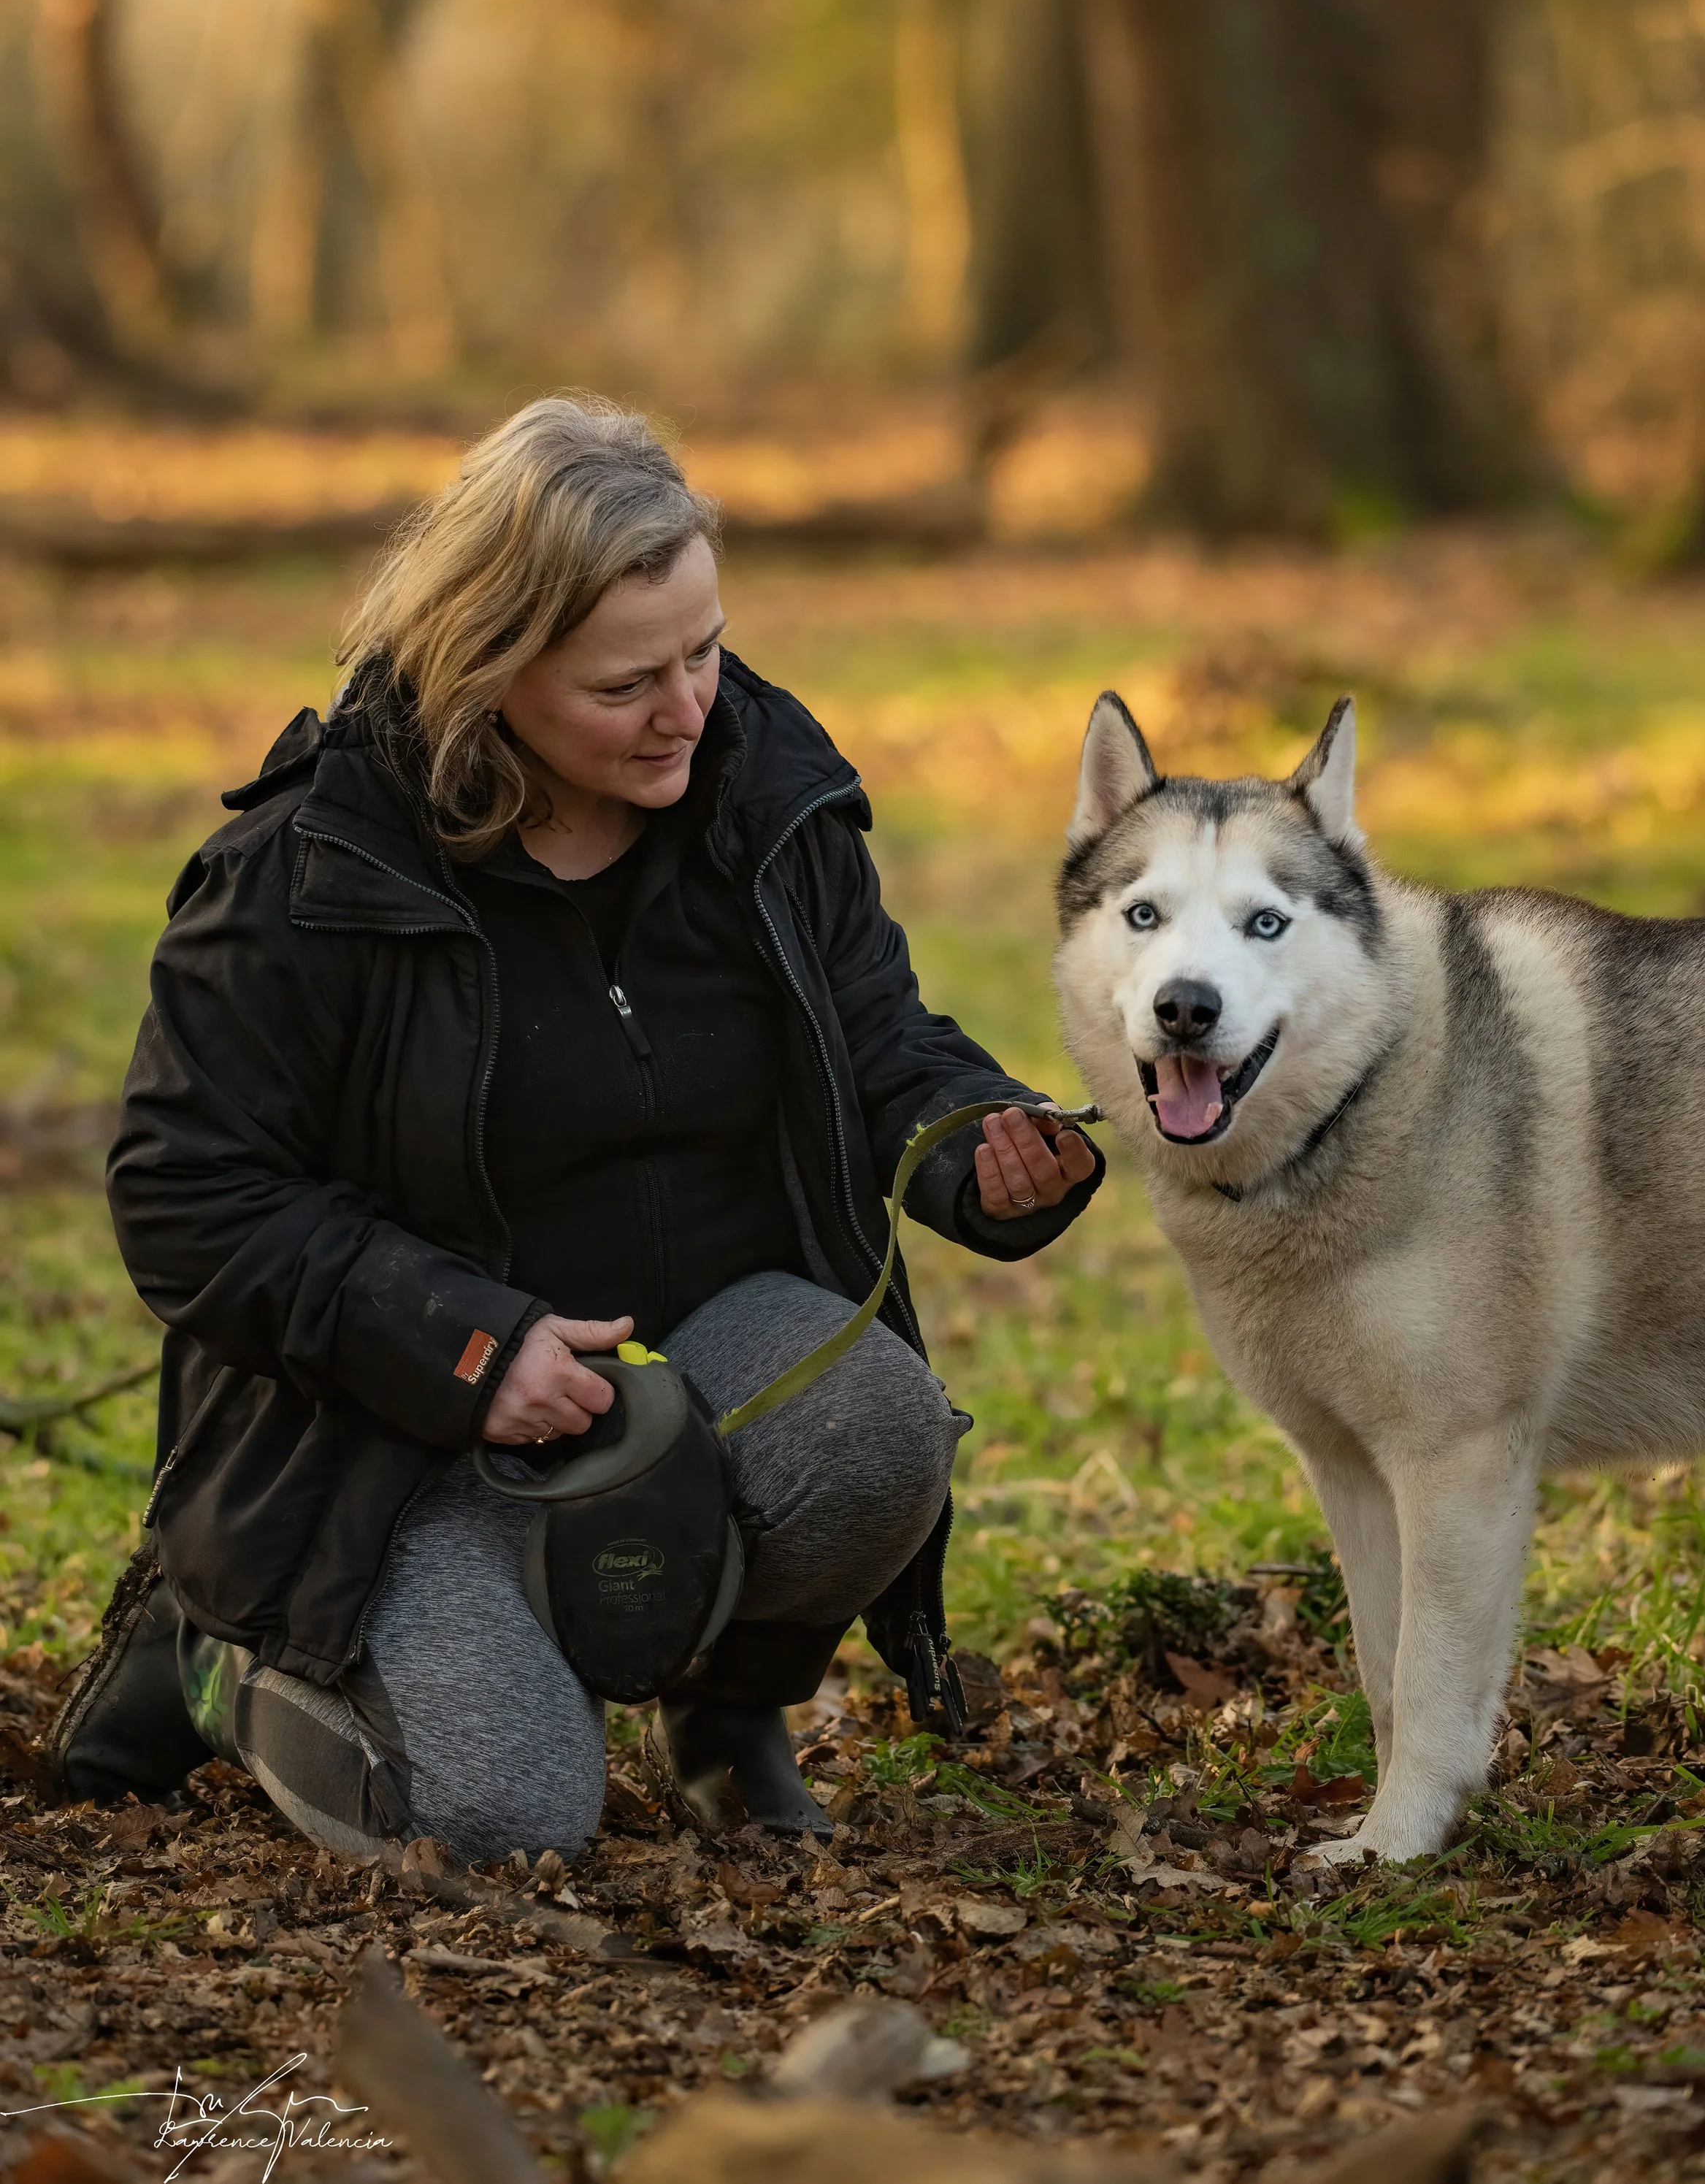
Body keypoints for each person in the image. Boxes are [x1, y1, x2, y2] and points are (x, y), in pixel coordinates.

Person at [53, 397, 1101, 1864]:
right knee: (500, 1819)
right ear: (491, 668)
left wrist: (974, 1138)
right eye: (626, 684)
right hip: (396, 1450)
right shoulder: (307, 868)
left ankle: (725, 1711)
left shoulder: (762, 788)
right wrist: (465, 1344)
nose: (688, 708)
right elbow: (182, 1193)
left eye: (704, 650)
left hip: (681, 1391)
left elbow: (872, 1034)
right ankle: (226, 1657)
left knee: (876, 1425)